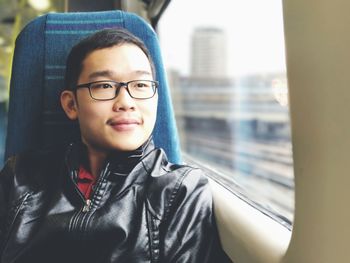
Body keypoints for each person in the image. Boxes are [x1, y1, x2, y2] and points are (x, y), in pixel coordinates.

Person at [0, 28, 231, 263]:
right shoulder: (21, 175)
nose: (126, 102)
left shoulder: (177, 190)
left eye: (141, 85)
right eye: (104, 86)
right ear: (71, 105)